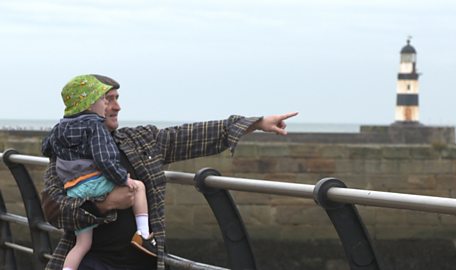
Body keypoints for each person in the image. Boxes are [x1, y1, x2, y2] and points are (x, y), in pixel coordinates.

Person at [41, 74, 298, 270]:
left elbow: (190, 136)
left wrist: (256, 123)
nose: (117, 107)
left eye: (117, 99)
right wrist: (104, 205)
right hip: (92, 262)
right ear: (87, 106)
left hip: (141, 261)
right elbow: (54, 211)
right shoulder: (67, 153)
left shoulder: (140, 140)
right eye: (108, 99)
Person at [41, 75, 157, 270]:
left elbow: (45, 147)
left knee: (82, 244)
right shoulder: (95, 127)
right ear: (90, 103)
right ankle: (144, 235)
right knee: (138, 187)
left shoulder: (60, 129)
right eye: (106, 99)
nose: (114, 106)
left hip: (74, 189)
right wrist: (114, 192)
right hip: (98, 258)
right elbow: (104, 159)